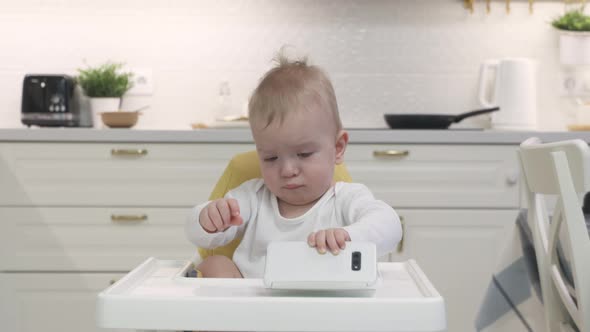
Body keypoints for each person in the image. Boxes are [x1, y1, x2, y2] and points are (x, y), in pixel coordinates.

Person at [185, 51, 402, 278]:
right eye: (270, 158)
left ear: (337, 148)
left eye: (304, 154)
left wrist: (348, 236)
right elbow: (199, 236)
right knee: (214, 264)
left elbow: (390, 225)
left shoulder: (346, 199)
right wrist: (207, 219)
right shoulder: (253, 197)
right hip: (252, 305)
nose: (287, 171)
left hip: (318, 304)